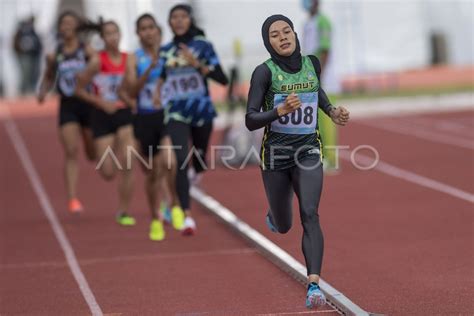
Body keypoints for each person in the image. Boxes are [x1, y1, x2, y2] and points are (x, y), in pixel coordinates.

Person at [245, 15, 350, 309]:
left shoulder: (312, 63)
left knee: (310, 213)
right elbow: (250, 119)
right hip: (276, 156)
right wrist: (277, 111)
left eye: (287, 31)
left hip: (307, 150)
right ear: (269, 42)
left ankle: (314, 285)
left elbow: (316, 91)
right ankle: (275, 215)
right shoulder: (263, 73)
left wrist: (331, 111)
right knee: (284, 225)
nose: (283, 37)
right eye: (275, 35)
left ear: (294, 33)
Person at [155, 4, 228, 235]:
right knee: (179, 159)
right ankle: (186, 216)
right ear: (169, 23)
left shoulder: (203, 46)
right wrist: (157, 95)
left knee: (198, 160)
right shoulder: (165, 51)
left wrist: (197, 65)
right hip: (176, 111)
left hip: (201, 109)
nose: (178, 21)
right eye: (174, 17)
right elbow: (162, 78)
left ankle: (195, 173)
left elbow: (222, 79)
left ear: (190, 20)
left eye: (182, 17)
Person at [118, 13, 185, 240]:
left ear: (158, 30)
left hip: (166, 116)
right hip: (145, 119)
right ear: (138, 34)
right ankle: (156, 219)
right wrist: (148, 71)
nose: (148, 32)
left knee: (170, 162)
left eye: (151, 27)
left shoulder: (169, 53)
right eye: (143, 28)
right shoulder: (134, 59)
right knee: (153, 173)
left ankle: (175, 204)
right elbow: (130, 92)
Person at [74, 19, 137, 227]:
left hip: (124, 113)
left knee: (128, 161)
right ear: (103, 38)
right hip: (102, 116)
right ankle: (110, 150)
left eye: (116, 32)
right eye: (108, 34)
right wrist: (100, 101)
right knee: (108, 172)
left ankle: (124, 210)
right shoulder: (96, 62)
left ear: (120, 35)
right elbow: (79, 90)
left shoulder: (129, 59)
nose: (113, 37)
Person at [37, 11, 96, 213]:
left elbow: (99, 68)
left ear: (77, 28)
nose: (67, 27)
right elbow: (48, 76)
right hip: (68, 104)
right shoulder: (55, 54)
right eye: (64, 24)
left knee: (91, 152)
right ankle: (72, 198)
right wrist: (43, 91)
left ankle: (91, 145)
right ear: (60, 28)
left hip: (87, 104)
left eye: (71, 23)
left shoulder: (86, 50)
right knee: (71, 151)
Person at [302, 0, 339, 172]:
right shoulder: (308, 23)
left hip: (324, 78)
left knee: (327, 120)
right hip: (311, 77)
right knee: (315, 121)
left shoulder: (323, 21)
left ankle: (331, 160)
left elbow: (325, 50)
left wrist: (319, 75)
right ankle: (320, 156)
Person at [13, 16, 42, 94]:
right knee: (26, 73)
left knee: (35, 72)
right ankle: (23, 90)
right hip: (24, 55)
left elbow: (38, 43)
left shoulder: (33, 31)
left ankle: (31, 89)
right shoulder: (21, 30)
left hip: (34, 55)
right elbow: (15, 43)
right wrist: (19, 52)